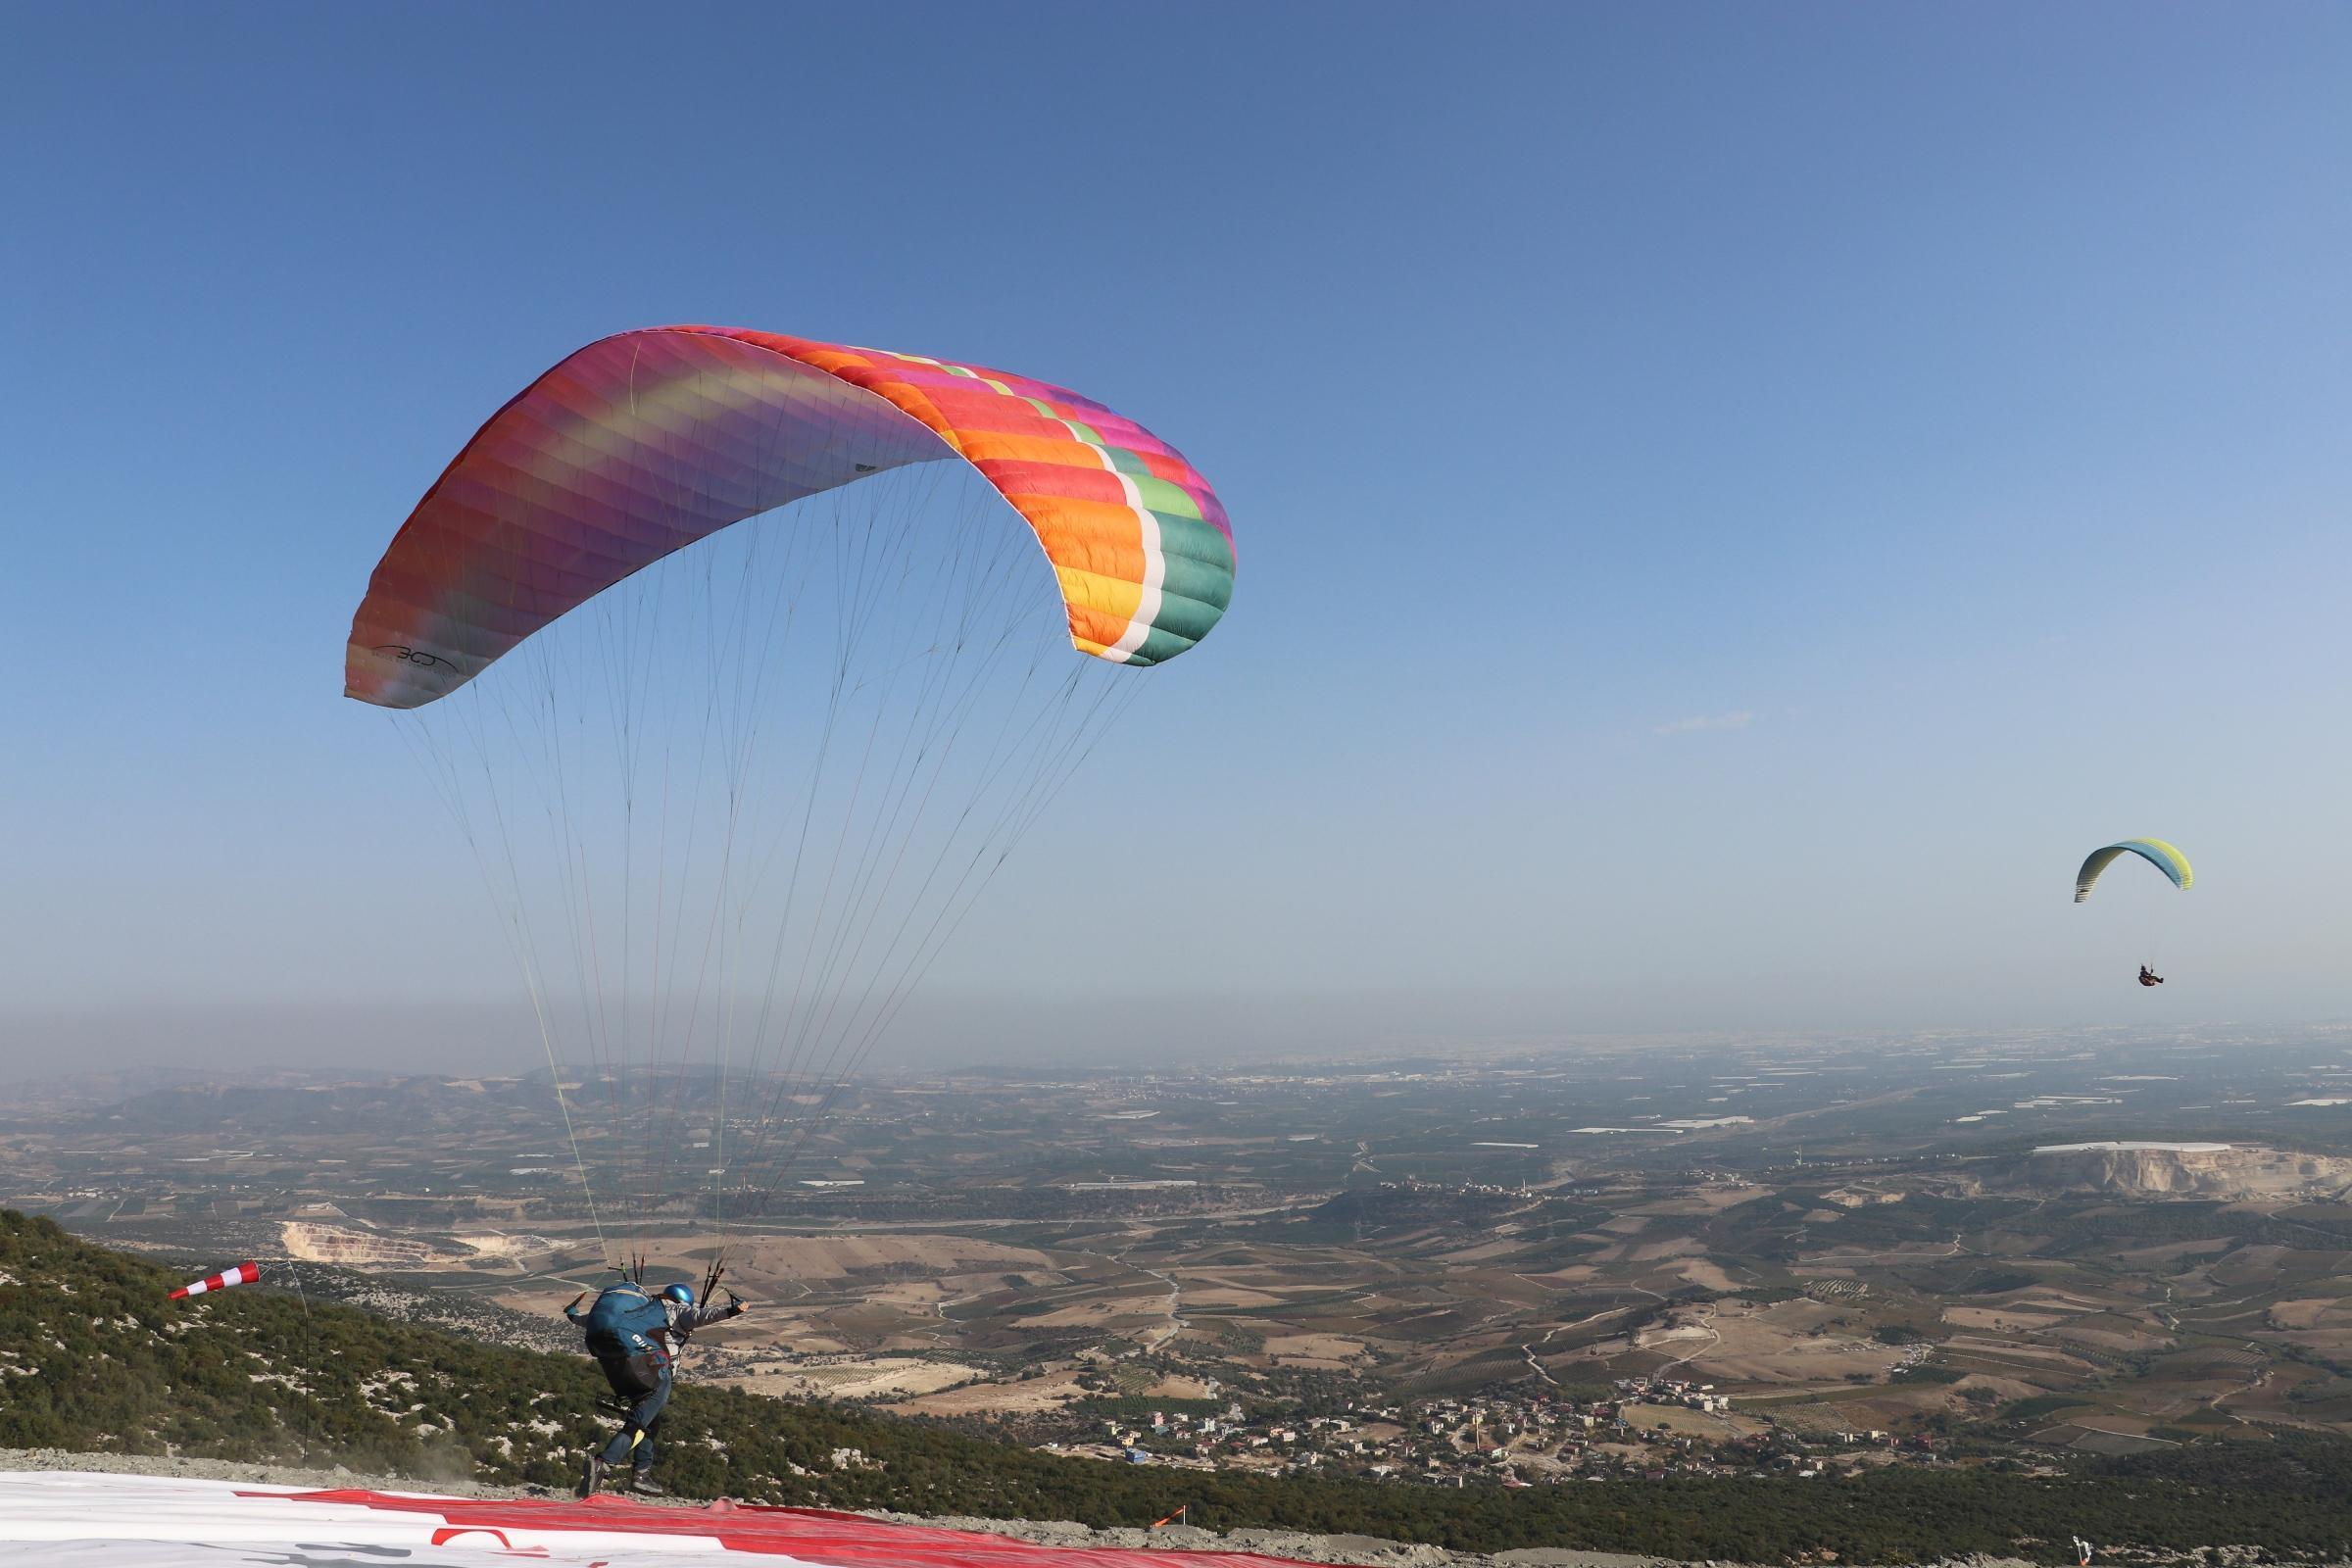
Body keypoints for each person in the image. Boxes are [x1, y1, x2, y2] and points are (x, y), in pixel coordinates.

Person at [566, 1279, 748, 1497]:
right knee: (638, 1424)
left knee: (651, 1423)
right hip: (654, 1373)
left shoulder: (642, 1308)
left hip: (620, 1369)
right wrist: (733, 1310)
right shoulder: (678, 1311)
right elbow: (702, 1316)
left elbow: (590, 1320)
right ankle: (603, 1463)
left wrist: (572, 1313)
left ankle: (641, 1474)